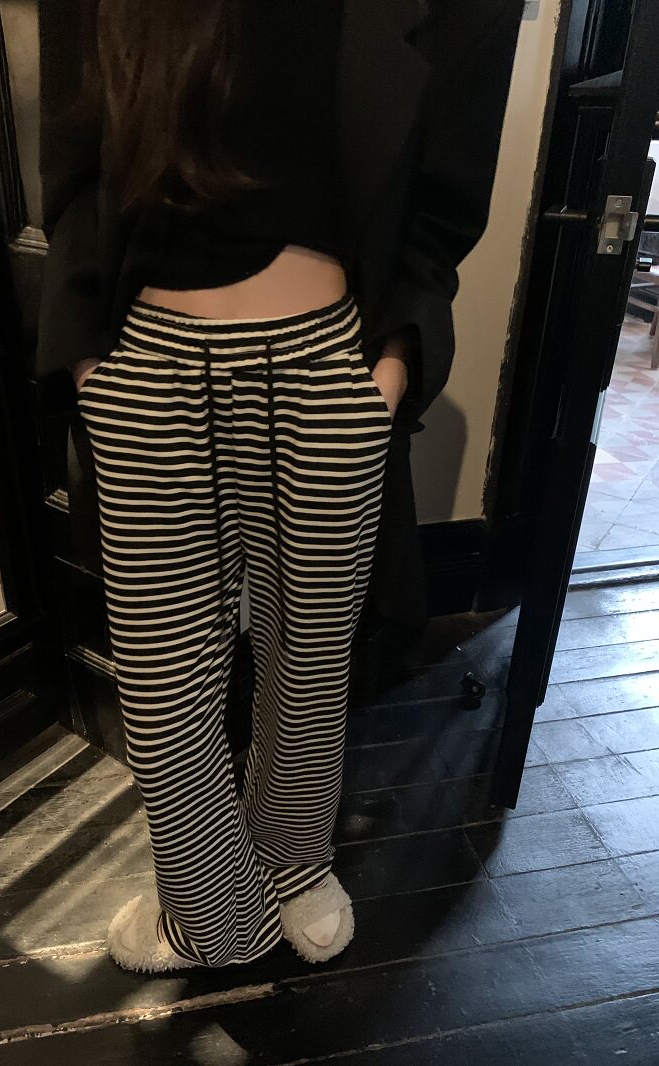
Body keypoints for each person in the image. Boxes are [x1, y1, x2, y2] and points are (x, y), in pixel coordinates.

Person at [36, 0, 525, 973]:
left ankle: (292, 859)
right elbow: (73, 169)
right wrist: (93, 370)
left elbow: (445, 194)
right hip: (144, 360)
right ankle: (211, 913)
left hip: (326, 360)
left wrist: (385, 374)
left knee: (310, 657)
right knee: (162, 680)